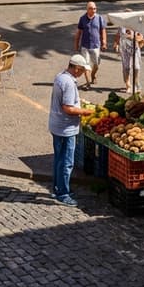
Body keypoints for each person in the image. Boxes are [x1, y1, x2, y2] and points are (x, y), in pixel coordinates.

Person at [48, 55, 94, 206]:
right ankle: (63, 193)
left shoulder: (60, 77)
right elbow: (67, 108)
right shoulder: (68, 83)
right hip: (65, 128)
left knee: (59, 160)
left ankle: (57, 188)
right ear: (76, 68)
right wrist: (85, 112)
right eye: (82, 70)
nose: (82, 74)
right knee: (67, 162)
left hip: (56, 125)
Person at [73, 1, 107, 90]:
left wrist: (104, 42)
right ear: (87, 9)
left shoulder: (99, 18)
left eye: (95, 8)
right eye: (91, 8)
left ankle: (93, 75)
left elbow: (103, 30)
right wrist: (76, 44)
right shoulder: (82, 19)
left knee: (96, 64)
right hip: (85, 46)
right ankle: (88, 83)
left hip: (96, 46)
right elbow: (79, 32)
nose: (94, 10)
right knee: (86, 65)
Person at [113, 27, 144, 94]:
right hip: (124, 50)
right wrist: (116, 45)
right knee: (126, 68)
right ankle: (128, 86)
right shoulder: (122, 26)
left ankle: (136, 82)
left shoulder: (136, 25)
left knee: (136, 67)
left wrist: (132, 37)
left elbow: (141, 37)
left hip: (135, 50)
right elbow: (118, 35)